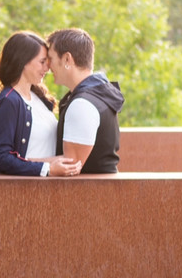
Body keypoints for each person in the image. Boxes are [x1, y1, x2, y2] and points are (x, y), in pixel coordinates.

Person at [0, 31, 82, 177]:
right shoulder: (9, 101)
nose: (47, 69)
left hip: (46, 188)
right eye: (42, 62)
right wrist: (47, 169)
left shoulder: (39, 98)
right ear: (23, 61)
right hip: (24, 191)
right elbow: (0, 157)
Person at [46, 28, 124, 173]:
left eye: (51, 58)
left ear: (67, 59)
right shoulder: (97, 94)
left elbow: (70, 165)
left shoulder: (82, 105)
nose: (48, 66)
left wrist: (19, 161)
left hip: (90, 193)